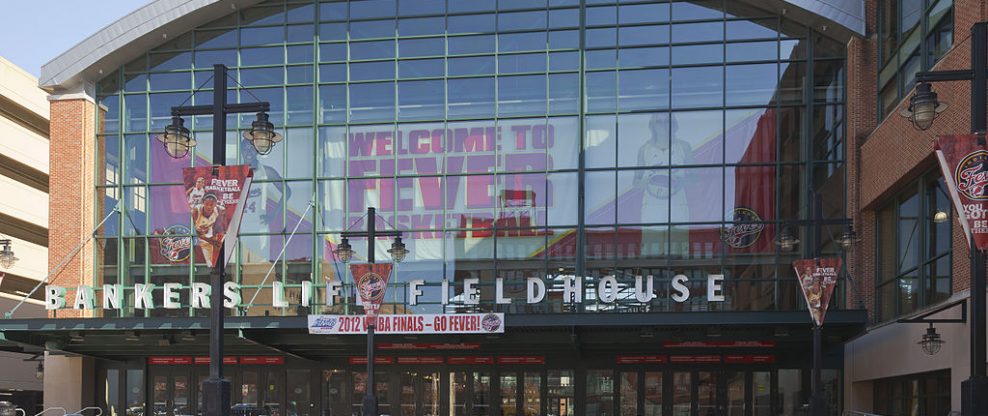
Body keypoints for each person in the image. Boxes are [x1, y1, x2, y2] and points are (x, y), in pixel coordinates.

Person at [193, 194, 224, 264]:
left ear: (215, 204)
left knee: (210, 263)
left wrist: (217, 240)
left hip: (208, 239)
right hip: (195, 240)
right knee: (200, 263)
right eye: (207, 204)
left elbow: (220, 229)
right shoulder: (196, 211)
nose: (209, 207)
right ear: (203, 203)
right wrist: (209, 240)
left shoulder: (219, 211)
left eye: (212, 205)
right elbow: (190, 231)